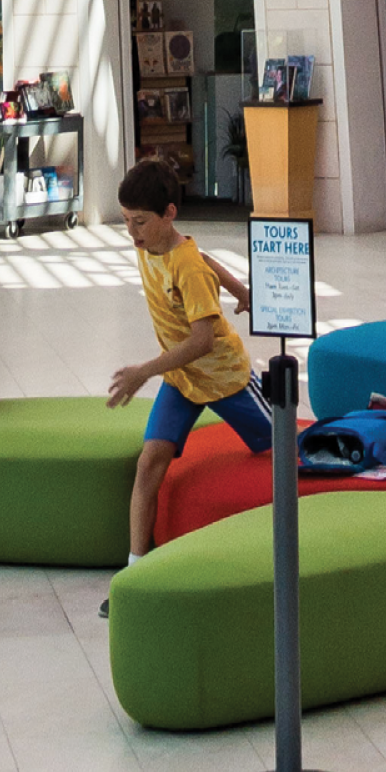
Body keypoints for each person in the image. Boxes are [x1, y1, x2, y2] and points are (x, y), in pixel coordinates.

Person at [105, 160, 265, 584]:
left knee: (287, 448)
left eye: (139, 222)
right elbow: (204, 254)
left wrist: (144, 371)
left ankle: (376, 418)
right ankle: (136, 569)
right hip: (183, 381)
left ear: (169, 213)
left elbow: (202, 342)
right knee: (149, 462)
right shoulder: (153, 245)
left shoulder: (185, 265)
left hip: (226, 377)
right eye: (125, 221)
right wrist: (240, 289)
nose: (132, 232)